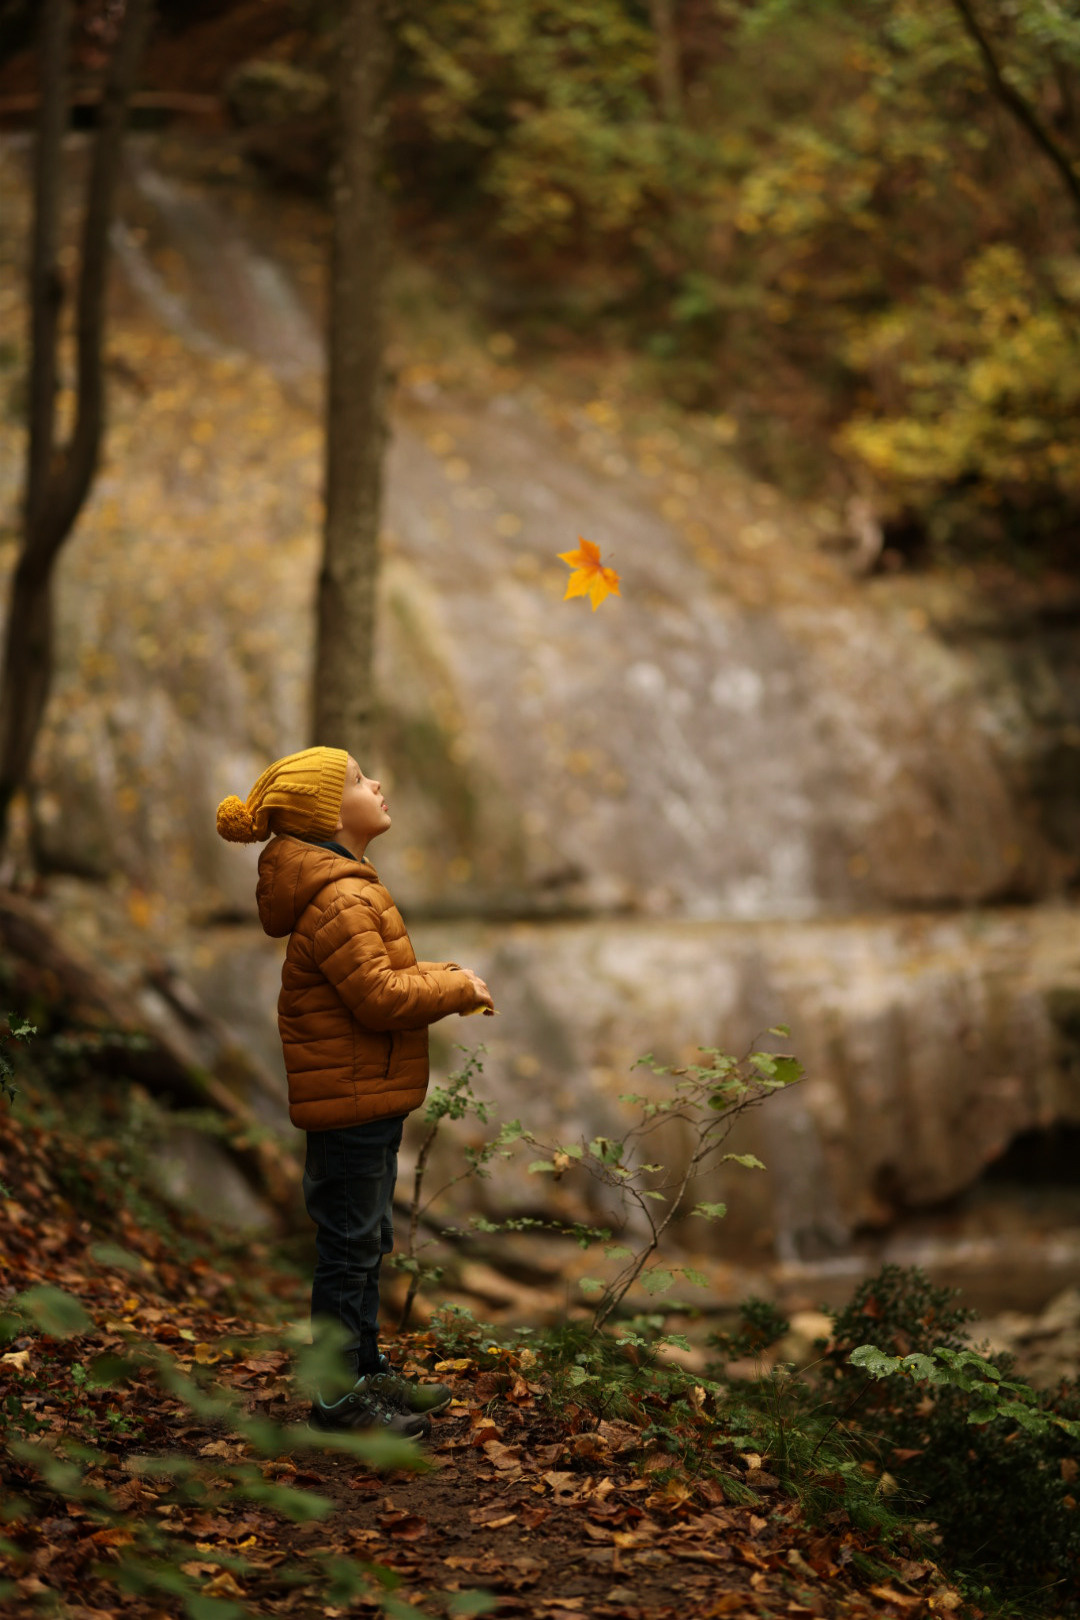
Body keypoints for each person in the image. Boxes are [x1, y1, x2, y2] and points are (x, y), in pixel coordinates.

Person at [215, 747, 493, 1438]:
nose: (378, 783)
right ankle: (338, 1400)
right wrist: (453, 988)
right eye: (361, 779)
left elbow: (377, 975)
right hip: (350, 1103)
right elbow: (378, 995)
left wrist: (447, 972)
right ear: (328, 814)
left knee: (363, 1242)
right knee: (348, 1249)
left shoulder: (347, 885)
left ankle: (365, 1371)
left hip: (364, 1096)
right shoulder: (339, 897)